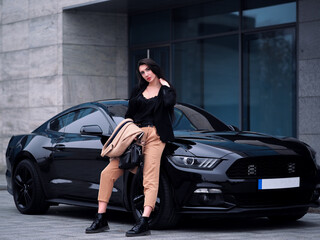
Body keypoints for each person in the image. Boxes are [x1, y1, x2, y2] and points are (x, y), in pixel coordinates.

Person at [85, 58, 176, 237]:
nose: (146, 74)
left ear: (155, 69)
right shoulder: (138, 90)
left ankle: (144, 221)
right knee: (107, 173)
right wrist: (131, 132)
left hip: (156, 137)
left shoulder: (167, 90)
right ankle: (101, 217)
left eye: (148, 70)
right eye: (142, 72)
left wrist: (165, 86)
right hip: (135, 135)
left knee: (150, 178)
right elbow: (129, 115)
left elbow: (169, 104)